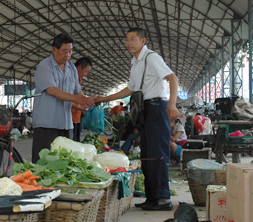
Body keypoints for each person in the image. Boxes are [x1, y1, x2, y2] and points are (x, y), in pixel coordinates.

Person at [95, 27, 179, 211]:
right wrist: (104, 98)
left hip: (157, 108)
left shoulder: (151, 57)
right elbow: (130, 89)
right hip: (144, 110)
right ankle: (152, 198)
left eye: (133, 39)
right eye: (127, 39)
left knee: (158, 154)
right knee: (147, 154)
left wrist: (172, 104)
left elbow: (172, 78)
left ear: (143, 41)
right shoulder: (135, 62)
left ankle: (163, 199)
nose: (129, 43)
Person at [32, 33, 95, 162]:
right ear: (54, 49)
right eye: (64, 51)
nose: (67, 55)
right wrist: (79, 100)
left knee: (65, 163)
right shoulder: (45, 66)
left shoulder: (71, 67)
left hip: (66, 124)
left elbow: (77, 90)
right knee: (43, 162)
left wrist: (88, 100)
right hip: (47, 124)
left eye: (70, 51)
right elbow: (52, 90)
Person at [70, 57, 93, 142]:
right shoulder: (70, 79)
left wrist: (88, 101)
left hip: (76, 117)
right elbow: (66, 99)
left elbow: (80, 95)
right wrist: (81, 107)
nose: (86, 74)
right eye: (86, 71)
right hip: (70, 117)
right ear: (79, 67)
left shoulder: (78, 79)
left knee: (76, 141)